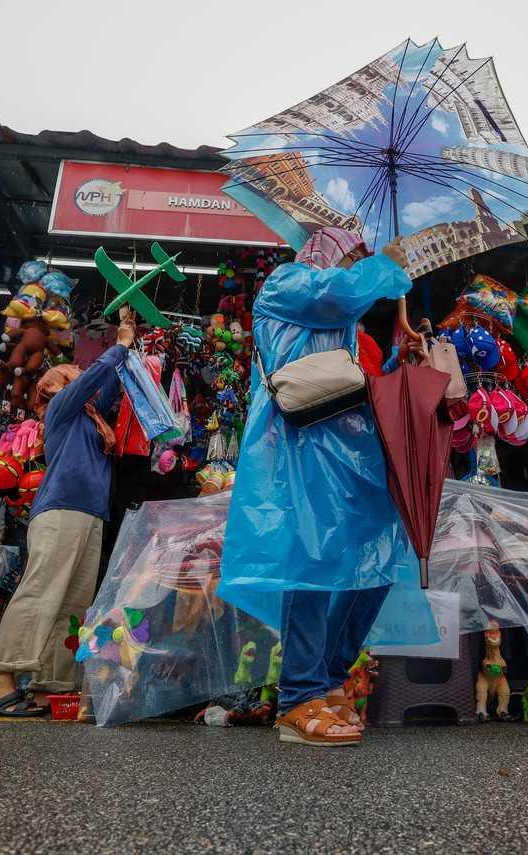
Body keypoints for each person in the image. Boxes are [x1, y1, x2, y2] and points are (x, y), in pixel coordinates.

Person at [218, 226, 432, 747]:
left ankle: (331, 676)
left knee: (376, 559)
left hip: (351, 453)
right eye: (350, 253)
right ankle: (299, 695)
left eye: (359, 256)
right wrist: (386, 265)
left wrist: (402, 358)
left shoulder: (346, 325)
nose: (355, 263)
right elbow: (333, 296)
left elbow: (348, 377)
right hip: (300, 448)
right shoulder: (287, 283)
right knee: (311, 564)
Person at [0, 311, 136, 716]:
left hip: (89, 515)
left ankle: (53, 684)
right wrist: (120, 345)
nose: (79, 377)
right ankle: (1, 679)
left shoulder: (96, 424)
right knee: (42, 591)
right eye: (71, 374)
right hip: (62, 509)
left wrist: (133, 354)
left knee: (72, 603)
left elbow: (110, 385)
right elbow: (93, 380)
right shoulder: (63, 409)